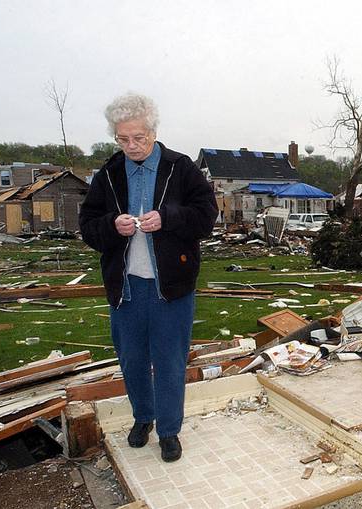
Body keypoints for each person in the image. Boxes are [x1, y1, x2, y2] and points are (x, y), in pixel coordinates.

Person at [79, 93, 218, 462]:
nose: (131, 146)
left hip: (170, 287)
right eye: (123, 139)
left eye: (138, 138)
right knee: (132, 359)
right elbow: (88, 227)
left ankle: (169, 430)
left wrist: (168, 218)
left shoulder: (181, 167)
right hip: (126, 288)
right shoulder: (108, 173)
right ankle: (144, 417)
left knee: (171, 359)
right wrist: (112, 225)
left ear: (153, 132)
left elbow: (206, 215)